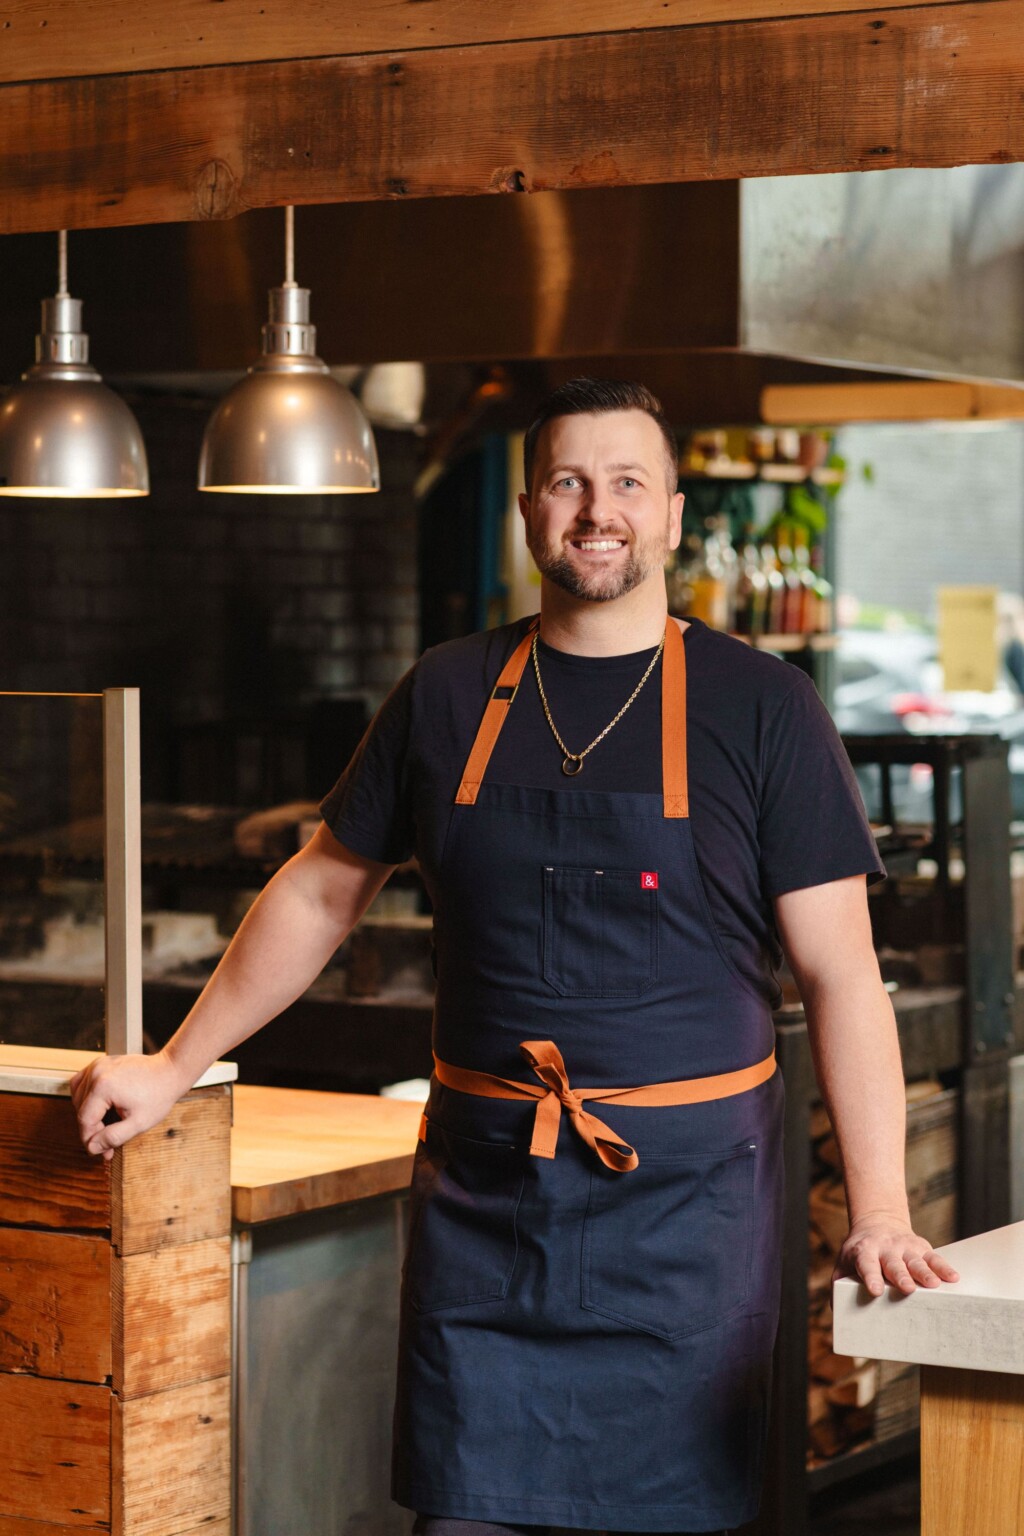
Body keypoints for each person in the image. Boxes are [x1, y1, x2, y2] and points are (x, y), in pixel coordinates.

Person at [71, 378, 958, 1536]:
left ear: (672, 513)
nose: (597, 509)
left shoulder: (764, 708)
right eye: (567, 482)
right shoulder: (443, 694)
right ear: (529, 510)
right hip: (486, 1213)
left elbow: (842, 976)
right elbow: (322, 891)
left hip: (682, 1227)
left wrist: (879, 1208)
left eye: (627, 482)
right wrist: (173, 1065)